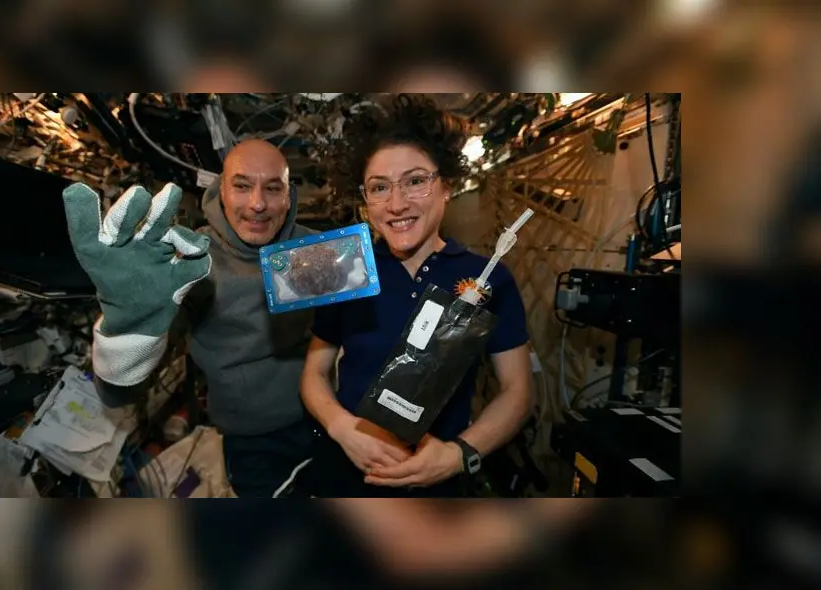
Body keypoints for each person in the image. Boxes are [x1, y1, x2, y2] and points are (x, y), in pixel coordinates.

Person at [300, 95, 533, 497]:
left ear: (446, 186)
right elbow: (314, 374)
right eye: (379, 187)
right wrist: (343, 429)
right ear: (365, 199)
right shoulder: (345, 269)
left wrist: (459, 454)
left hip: (438, 482)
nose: (396, 203)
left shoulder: (486, 277)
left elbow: (518, 391)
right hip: (346, 472)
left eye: (415, 181)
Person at [62, 139, 315, 497]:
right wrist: (128, 331)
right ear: (221, 191)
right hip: (252, 441)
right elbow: (118, 395)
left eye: (273, 189)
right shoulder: (189, 262)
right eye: (242, 186)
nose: (258, 204)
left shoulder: (315, 249)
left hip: (328, 416)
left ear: (289, 196)